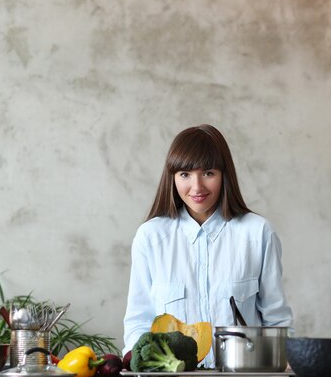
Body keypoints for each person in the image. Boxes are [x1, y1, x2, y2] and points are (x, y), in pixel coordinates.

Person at [122, 124, 293, 367]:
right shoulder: (150, 237)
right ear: (172, 178)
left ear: (225, 175)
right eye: (185, 174)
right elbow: (139, 323)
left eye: (209, 173)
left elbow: (277, 323)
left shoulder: (258, 233)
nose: (197, 187)